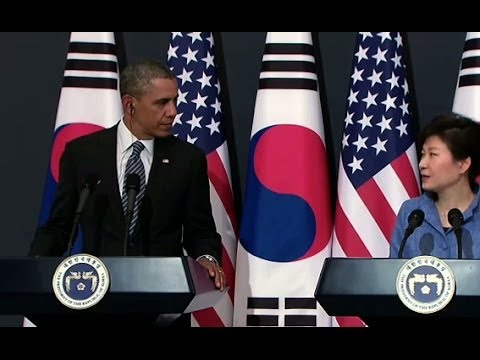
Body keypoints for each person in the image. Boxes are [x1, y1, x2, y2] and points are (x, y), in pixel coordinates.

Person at [28, 59, 225, 326]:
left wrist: (206, 257)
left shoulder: (188, 160)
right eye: (162, 103)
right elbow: (60, 226)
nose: (173, 112)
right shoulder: (83, 154)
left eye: (174, 101)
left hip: (164, 308)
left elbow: (199, 229)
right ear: (130, 104)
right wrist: (34, 269)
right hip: (96, 305)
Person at [389, 112, 480, 259]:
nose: (422, 164)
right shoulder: (411, 213)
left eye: (433, 155)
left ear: (463, 164)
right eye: (423, 154)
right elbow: (393, 272)